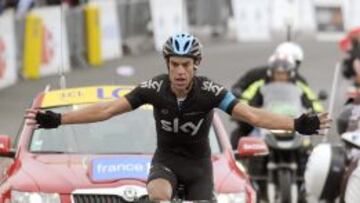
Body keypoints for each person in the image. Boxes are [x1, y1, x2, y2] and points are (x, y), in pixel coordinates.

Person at [25, 33, 331, 201]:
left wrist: (297, 124)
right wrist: (59, 120)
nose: (180, 71)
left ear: (196, 65)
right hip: (167, 160)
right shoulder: (154, 88)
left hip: (200, 166)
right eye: (175, 65)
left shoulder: (210, 91)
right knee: (158, 195)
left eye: (186, 65)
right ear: (167, 64)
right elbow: (106, 110)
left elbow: (251, 114)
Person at [230, 52, 324, 149]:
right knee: (239, 137)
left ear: (290, 73)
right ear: (271, 72)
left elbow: (313, 101)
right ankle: (238, 161)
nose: (280, 76)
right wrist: (243, 110)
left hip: (293, 123)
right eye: (278, 73)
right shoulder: (259, 85)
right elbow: (246, 98)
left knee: (310, 148)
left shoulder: (300, 86)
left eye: (284, 73)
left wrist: (316, 113)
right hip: (265, 124)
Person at [231, 41, 307, 98]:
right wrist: (239, 93)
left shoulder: (300, 81)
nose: (282, 68)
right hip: (259, 115)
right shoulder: (256, 75)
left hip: (289, 116)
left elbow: (310, 102)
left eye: (294, 62)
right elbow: (238, 88)